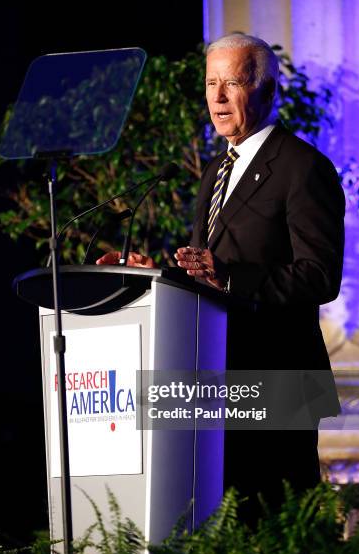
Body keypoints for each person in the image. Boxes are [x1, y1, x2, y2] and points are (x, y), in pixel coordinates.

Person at [97, 33, 345, 524]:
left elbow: (320, 277)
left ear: (267, 90)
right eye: (211, 83)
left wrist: (231, 278)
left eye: (232, 82)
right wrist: (159, 275)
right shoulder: (216, 170)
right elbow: (210, 271)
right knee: (228, 527)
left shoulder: (303, 168)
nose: (217, 97)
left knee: (278, 526)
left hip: (279, 377)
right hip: (219, 377)